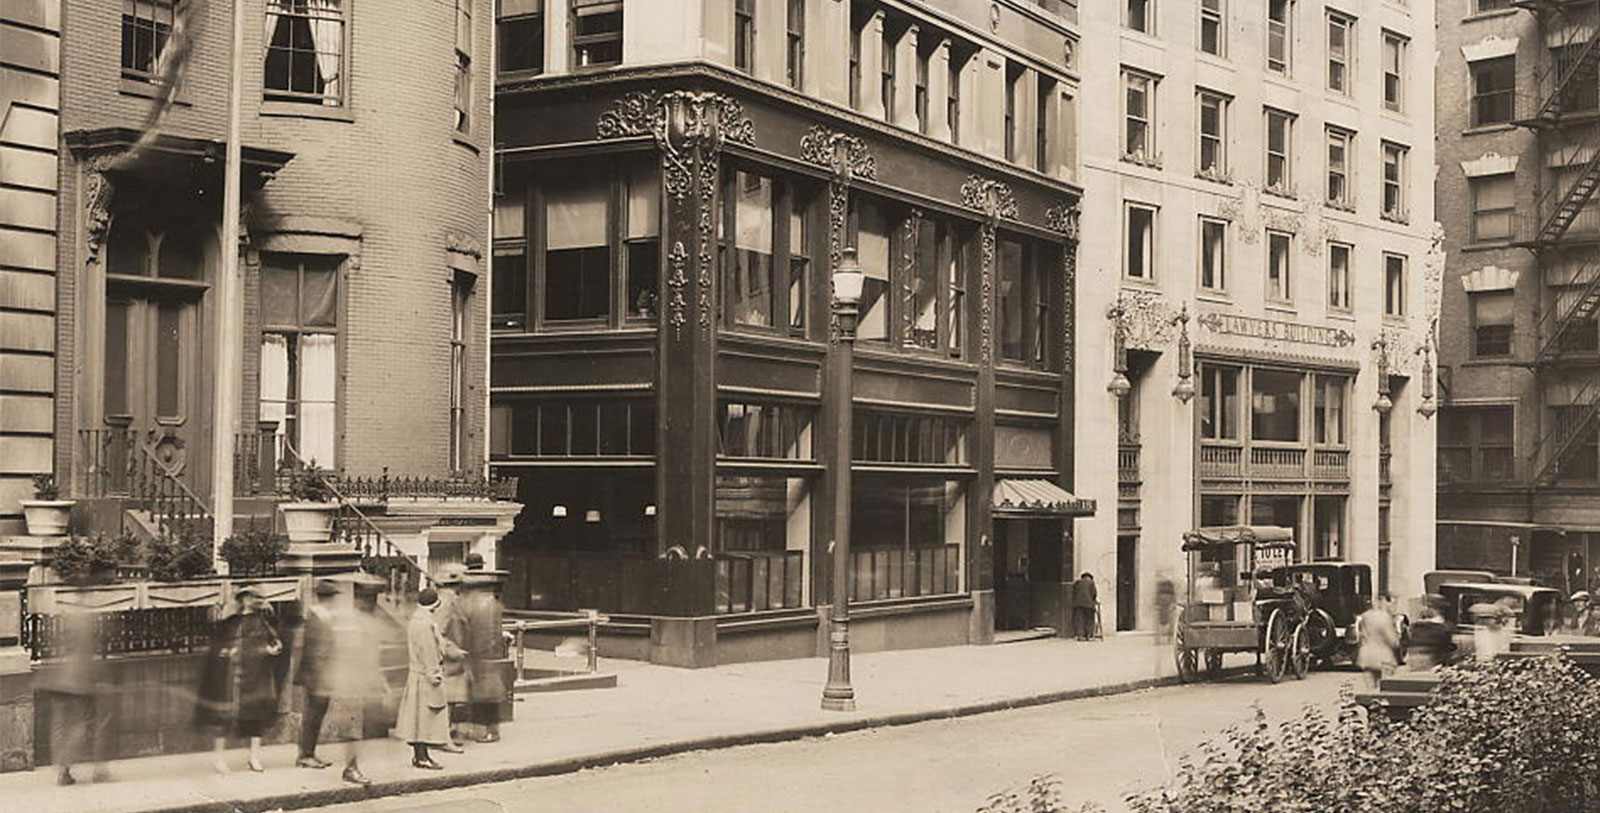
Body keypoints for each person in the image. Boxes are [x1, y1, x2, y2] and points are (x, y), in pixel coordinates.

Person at [197, 584, 284, 774]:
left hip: (258, 674)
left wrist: (271, 649)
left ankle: (254, 757)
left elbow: (276, 642)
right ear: (243, 599)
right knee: (225, 717)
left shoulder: (265, 620)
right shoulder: (231, 622)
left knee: (257, 716)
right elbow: (220, 645)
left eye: (258, 597)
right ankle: (219, 758)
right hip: (233, 676)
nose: (255, 600)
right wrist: (227, 652)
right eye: (251, 597)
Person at [38, 606, 110, 785]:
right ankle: (94, 770)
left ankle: (64, 769)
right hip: (78, 681)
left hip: (60, 679)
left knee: (63, 726)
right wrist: (98, 679)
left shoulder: (61, 613)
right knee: (86, 725)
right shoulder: (85, 617)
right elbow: (86, 653)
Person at [396, 587, 457, 770]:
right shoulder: (424, 624)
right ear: (435, 606)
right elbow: (428, 651)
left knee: (419, 719)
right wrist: (434, 674)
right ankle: (421, 757)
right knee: (423, 719)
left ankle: (421, 756)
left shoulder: (418, 620)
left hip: (419, 674)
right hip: (425, 676)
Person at [296, 579, 342, 770]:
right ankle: (306, 755)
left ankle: (309, 753)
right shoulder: (316, 617)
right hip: (316, 677)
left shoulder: (323, 616)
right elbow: (314, 652)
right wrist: (321, 678)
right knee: (313, 716)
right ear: (327, 598)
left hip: (321, 675)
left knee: (316, 715)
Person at [459, 565, 508, 742]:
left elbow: (480, 635)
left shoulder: (481, 605)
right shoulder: (491, 603)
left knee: (484, 696)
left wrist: (472, 656)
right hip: (489, 656)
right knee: (487, 695)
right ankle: (490, 730)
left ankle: (487, 731)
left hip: (482, 657)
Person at [434, 566, 471, 751]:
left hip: (455, 660)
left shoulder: (450, 600)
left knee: (452, 699)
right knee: (446, 699)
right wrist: (453, 650)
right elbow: (438, 632)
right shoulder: (446, 602)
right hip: (449, 660)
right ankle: (443, 737)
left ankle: (447, 733)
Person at [1355, 596, 1400, 689]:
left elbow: (1359, 636)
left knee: (1370, 689)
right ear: (1383, 601)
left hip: (1367, 657)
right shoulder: (1384, 618)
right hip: (1384, 658)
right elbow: (1393, 641)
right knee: (1384, 689)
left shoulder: (1365, 616)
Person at [1071, 573, 1098, 641]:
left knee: (1080, 620)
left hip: (1078, 604)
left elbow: (1074, 592)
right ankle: (1089, 635)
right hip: (1089, 604)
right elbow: (1094, 593)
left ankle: (1080, 635)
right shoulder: (1091, 583)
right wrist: (1094, 601)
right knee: (1089, 620)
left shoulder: (1077, 582)